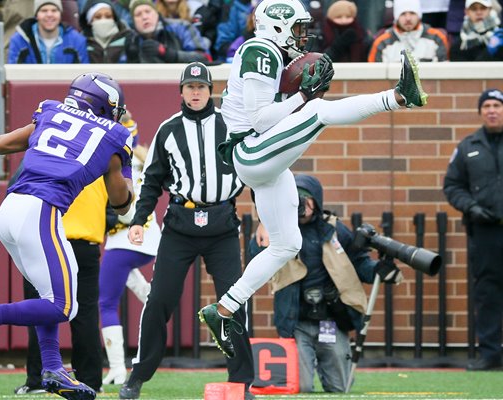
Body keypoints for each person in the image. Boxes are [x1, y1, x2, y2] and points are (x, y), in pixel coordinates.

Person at [197, 0, 428, 360]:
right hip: (251, 150)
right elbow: (260, 119)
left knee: (286, 244)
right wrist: (303, 96)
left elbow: (268, 117)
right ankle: (398, 96)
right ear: (277, 26)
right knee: (319, 111)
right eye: (298, 27)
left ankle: (224, 310)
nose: (303, 35)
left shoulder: (268, 52)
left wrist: (298, 98)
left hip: (259, 157)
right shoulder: (261, 49)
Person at [0, 72, 134, 400]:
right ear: (106, 106)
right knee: (64, 308)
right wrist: (128, 183)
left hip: (9, 211)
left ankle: (52, 367)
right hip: (41, 213)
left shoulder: (50, 113)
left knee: (48, 297)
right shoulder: (112, 136)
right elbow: (119, 202)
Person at [120, 62, 256, 400]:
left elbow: (258, 171)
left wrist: (266, 220)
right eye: (189, 87)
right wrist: (138, 221)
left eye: (201, 86)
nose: (195, 92)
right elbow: (151, 181)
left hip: (222, 224)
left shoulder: (233, 124)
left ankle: (241, 383)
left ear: (211, 90)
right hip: (181, 224)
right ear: (181, 91)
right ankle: (138, 376)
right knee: (159, 299)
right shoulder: (168, 130)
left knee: (233, 301)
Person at [251, 174, 402, 392]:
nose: (301, 204)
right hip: (296, 321)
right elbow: (257, 259)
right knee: (298, 386)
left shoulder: (335, 230)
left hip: (331, 317)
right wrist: (264, 225)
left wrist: (378, 270)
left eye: (306, 198)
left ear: (318, 201)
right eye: (296, 198)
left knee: (341, 387)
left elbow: (359, 262)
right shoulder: (276, 229)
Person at [10, 172, 108, 394]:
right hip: (86, 244)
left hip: (47, 240)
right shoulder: (101, 156)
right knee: (85, 315)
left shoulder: (45, 155)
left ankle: (38, 379)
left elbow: (17, 192)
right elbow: (118, 202)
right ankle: (90, 380)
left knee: (39, 309)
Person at [98, 114, 161, 386]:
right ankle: (154, 301)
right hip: (143, 240)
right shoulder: (138, 161)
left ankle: (117, 368)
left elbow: (126, 213)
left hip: (126, 239)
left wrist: (107, 217)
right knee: (133, 284)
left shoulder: (123, 166)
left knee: (106, 302)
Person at [443, 88, 503, 371]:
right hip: (485, 232)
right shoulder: (469, 146)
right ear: (480, 111)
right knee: (487, 293)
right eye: (487, 106)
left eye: (497, 105)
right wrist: (471, 207)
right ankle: (490, 355)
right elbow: (452, 186)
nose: (492, 110)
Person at [123, 0, 211, 63]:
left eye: (148, 11)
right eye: (138, 14)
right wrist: (132, 59)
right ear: (133, 22)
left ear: (157, 14)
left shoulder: (181, 27)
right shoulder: (131, 40)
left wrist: (169, 54)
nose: (144, 17)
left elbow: (204, 57)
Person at [8, 0, 89, 64]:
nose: (49, 15)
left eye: (54, 10)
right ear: (36, 15)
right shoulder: (19, 40)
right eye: (44, 10)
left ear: (60, 15)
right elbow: (12, 76)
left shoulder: (77, 41)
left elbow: (83, 77)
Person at [367, 0, 449, 62]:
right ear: (396, 17)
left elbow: (445, 73)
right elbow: (373, 76)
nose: (408, 18)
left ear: (419, 15)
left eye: (412, 13)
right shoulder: (382, 42)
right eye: (403, 14)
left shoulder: (437, 38)